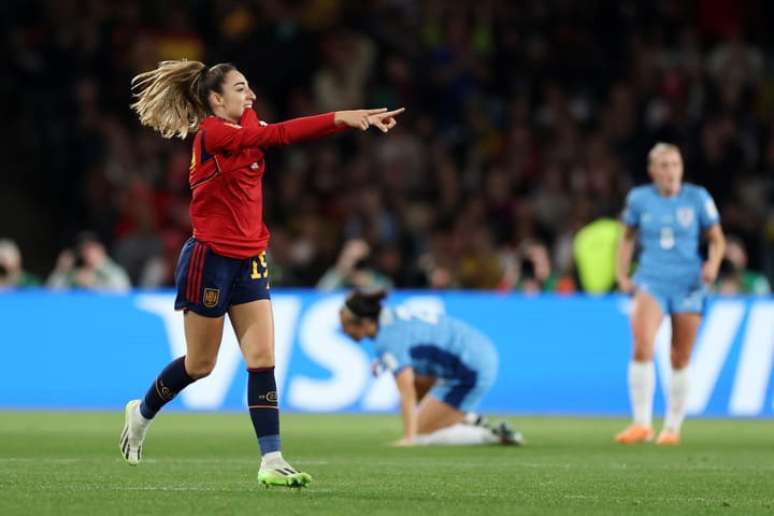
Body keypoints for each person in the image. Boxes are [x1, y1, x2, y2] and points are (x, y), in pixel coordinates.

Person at [120, 59, 404, 488]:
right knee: (200, 365)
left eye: (248, 87)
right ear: (216, 100)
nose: (250, 95)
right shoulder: (213, 134)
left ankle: (271, 458)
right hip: (209, 258)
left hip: (250, 256)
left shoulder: (245, 122)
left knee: (263, 360)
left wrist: (346, 118)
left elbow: (264, 128)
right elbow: (277, 134)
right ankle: (140, 414)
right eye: (240, 88)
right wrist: (343, 117)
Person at [615, 143, 725, 445]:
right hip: (651, 279)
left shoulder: (697, 198)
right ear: (652, 171)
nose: (670, 172)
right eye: (663, 166)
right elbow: (626, 238)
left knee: (680, 356)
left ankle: (672, 428)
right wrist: (622, 275)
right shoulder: (639, 199)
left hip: (688, 282)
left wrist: (713, 264)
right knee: (642, 346)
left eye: (675, 164)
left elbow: (717, 239)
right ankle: (641, 423)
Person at [339, 290, 522, 447]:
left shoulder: (388, 340)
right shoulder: (391, 315)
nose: (344, 331)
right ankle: (468, 419)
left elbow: (406, 391)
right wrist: (383, 359)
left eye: (346, 325)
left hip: (470, 368)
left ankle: (491, 435)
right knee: (418, 378)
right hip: (478, 350)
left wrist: (409, 437)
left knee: (422, 434)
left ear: (364, 322)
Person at [47, 232, 131, 291]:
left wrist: (94, 285)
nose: (87, 253)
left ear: (101, 249)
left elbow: (122, 295)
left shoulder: (114, 272)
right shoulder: (75, 274)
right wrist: (61, 270)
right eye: (82, 249)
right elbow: (51, 294)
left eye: (90, 248)